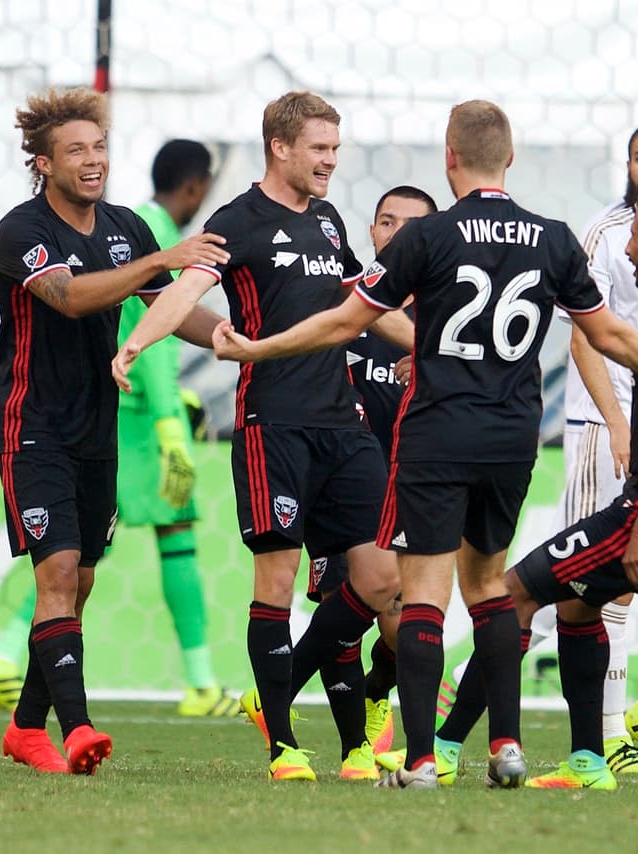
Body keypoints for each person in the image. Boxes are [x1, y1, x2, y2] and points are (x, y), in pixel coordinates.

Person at [212, 100, 638, 790]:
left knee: (423, 596)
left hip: (437, 434)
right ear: (511, 159)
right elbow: (609, 335)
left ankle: (420, 758)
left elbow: (343, 320)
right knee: (489, 590)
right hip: (511, 438)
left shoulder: (429, 237)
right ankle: (504, 744)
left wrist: (259, 346)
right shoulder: (553, 237)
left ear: (449, 158)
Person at [112, 91, 409, 783]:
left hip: (343, 425)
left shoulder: (331, 221)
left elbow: (363, 303)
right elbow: (185, 292)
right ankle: (283, 746)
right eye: (319, 149)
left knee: (383, 574)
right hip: (271, 425)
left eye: (335, 149)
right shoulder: (236, 221)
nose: (331, 161)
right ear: (280, 147)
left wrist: (435, 349)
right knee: (275, 582)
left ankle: (279, 689)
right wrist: (136, 346)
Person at [442, 182, 638, 791]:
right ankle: (589, 760)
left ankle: (444, 747)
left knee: (511, 596)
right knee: (580, 602)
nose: (632, 245)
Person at [0, 86, 228, 774]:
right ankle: (79, 730)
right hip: (32, 426)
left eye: (99, 147)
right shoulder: (23, 231)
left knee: (81, 580)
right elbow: (69, 298)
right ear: (43, 162)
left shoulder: (126, 225)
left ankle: (26, 728)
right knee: (58, 571)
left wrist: (237, 338)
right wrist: (160, 261)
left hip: (99, 428)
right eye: (76, 151)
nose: (93, 161)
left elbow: (170, 309)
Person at [305, 186, 438, 766]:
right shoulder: (344, 313)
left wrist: (434, 370)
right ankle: (354, 747)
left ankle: (375, 695)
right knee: (345, 602)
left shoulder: (444, 320)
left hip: (414, 488)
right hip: (343, 480)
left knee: (398, 626)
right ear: (372, 234)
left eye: (411, 226)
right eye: (385, 222)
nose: (395, 233)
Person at [125, 139, 237, 716]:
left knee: (83, 546)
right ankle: (199, 683)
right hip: (140, 419)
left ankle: (200, 682)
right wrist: (171, 425)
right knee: (78, 551)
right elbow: (156, 331)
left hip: (134, 407)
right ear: (194, 189)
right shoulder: (161, 233)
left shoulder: (134, 221)